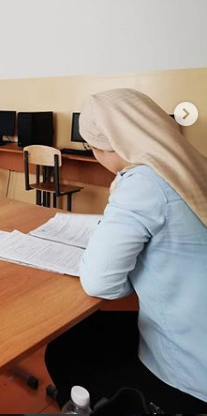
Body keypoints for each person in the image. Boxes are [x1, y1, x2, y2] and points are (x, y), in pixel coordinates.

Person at [45, 88, 207, 413]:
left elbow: (101, 283)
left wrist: (128, 275)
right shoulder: (191, 162)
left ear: (107, 145)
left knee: (64, 349)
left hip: (188, 370)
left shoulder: (144, 182)